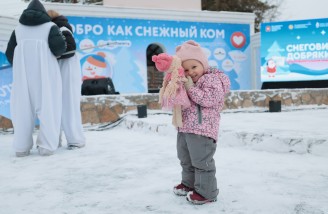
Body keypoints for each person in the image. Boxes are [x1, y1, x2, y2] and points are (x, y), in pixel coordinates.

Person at [5, 0, 66, 157]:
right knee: (48, 107)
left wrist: (20, 64)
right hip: (46, 75)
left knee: (22, 109)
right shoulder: (50, 27)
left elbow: (9, 53)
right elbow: (59, 48)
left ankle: (21, 147)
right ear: (43, 13)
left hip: (23, 76)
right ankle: (46, 146)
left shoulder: (18, 30)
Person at [173, 40, 231, 205]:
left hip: (203, 129)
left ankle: (207, 192)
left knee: (201, 161)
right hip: (185, 128)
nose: (190, 72)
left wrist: (190, 88)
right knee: (185, 158)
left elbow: (209, 99)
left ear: (203, 64)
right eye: (185, 69)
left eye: (194, 67)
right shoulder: (186, 82)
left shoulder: (211, 80)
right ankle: (189, 184)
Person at [47, 9, 86, 150]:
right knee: (56, 105)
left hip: (68, 70)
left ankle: (75, 139)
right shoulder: (57, 29)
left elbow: (70, 49)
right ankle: (55, 138)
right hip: (61, 70)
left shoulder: (62, 29)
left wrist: (52, 55)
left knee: (69, 104)